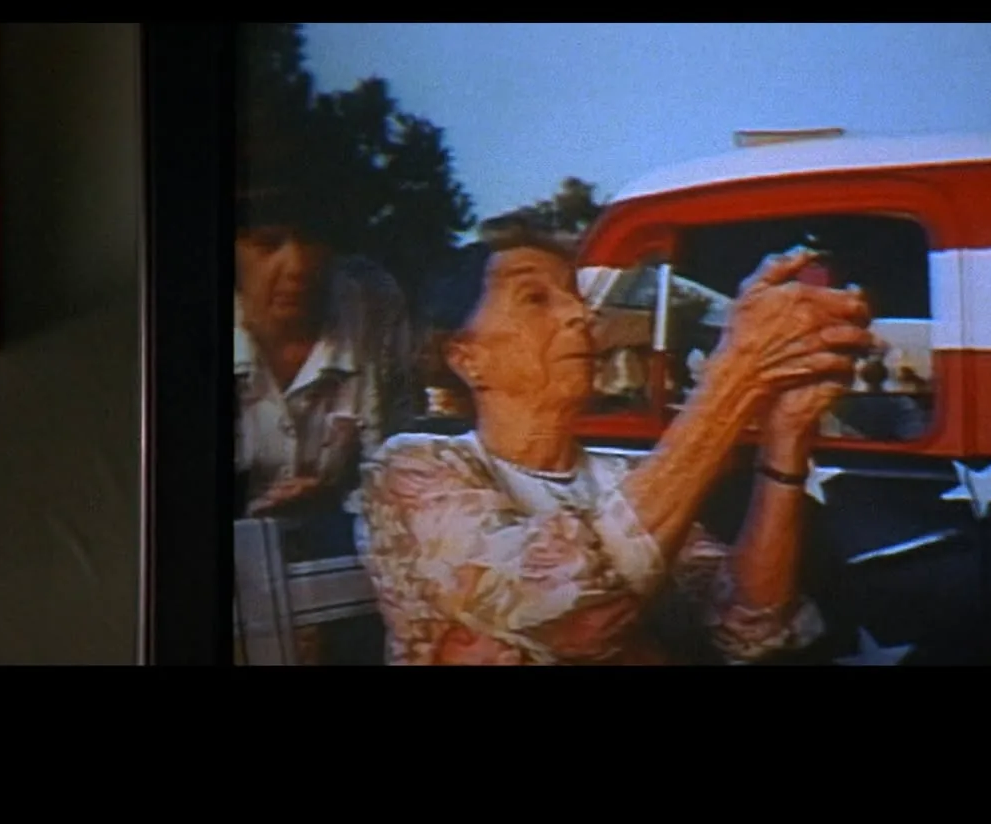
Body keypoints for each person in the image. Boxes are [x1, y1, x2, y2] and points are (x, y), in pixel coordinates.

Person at [347, 224, 875, 665]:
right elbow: (567, 606)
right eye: (535, 298)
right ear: (466, 357)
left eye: (575, 298)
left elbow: (751, 626)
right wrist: (734, 376)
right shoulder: (413, 468)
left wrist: (786, 440)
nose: (580, 316)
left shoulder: (627, 478)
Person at [233, 180, 413, 662]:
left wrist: (335, 500)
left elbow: (399, 471)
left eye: (313, 242)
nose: (298, 266)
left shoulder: (373, 308)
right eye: (268, 245)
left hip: (347, 564)